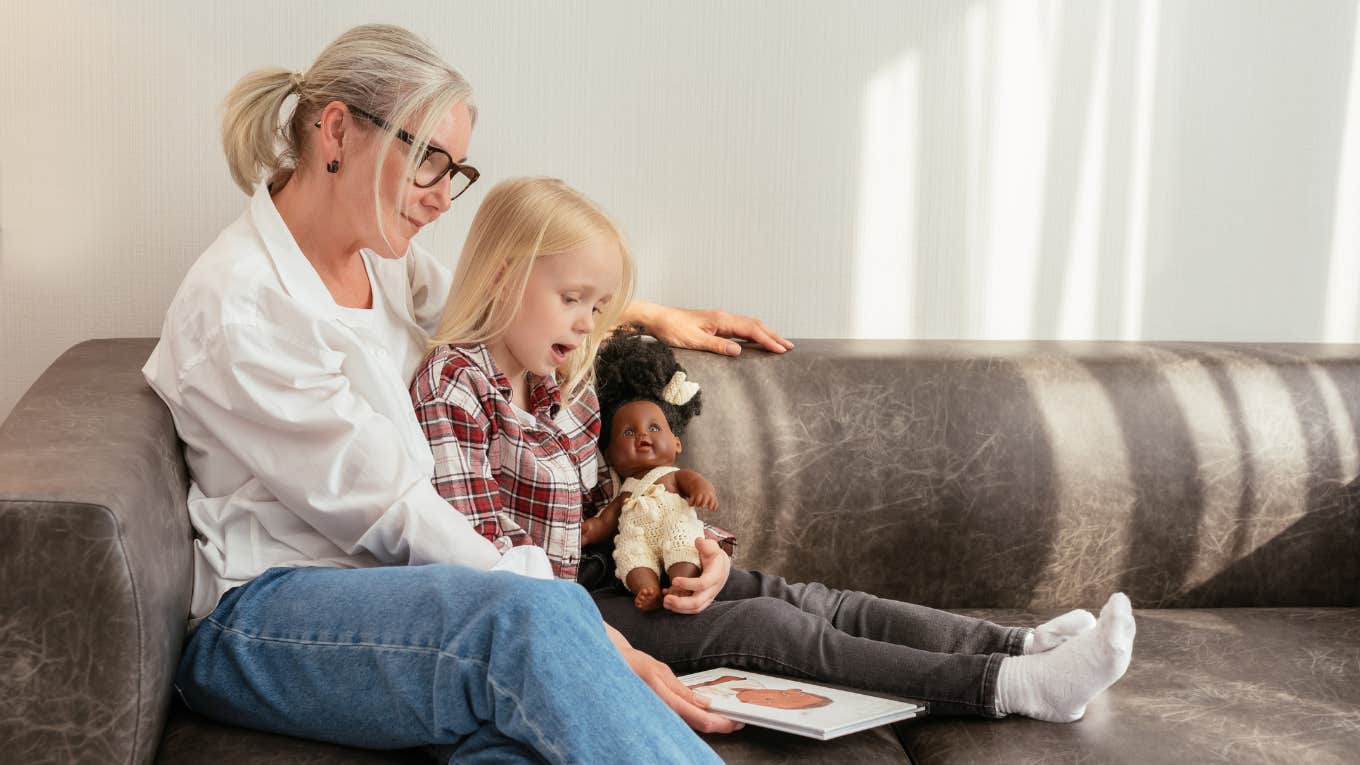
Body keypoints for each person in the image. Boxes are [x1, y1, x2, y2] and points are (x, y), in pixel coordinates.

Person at [143, 23, 790, 764]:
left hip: (410, 607)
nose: (445, 197)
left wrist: (639, 315)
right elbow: (400, 512)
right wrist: (588, 635)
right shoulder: (244, 307)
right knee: (525, 626)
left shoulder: (384, 263)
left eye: (458, 171)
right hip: (264, 622)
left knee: (519, 741)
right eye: (429, 163)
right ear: (337, 132)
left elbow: (500, 307)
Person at [413, 176, 1137, 726]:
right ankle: (1009, 689)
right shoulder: (453, 384)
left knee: (807, 598)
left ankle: (1017, 645)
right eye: (572, 297)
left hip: (617, 568)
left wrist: (702, 550)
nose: (586, 322)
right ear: (504, 272)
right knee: (771, 629)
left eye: (596, 307)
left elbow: (620, 497)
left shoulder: (561, 374)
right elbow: (489, 558)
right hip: (565, 607)